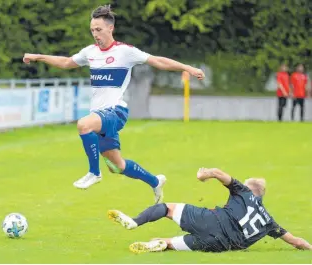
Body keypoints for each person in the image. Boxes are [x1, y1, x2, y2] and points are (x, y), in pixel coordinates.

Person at [22, 5, 205, 204]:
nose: (95, 34)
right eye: (92, 30)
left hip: (115, 112)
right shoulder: (90, 52)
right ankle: (155, 182)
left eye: (98, 29)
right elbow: (66, 62)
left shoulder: (124, 52)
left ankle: (94, 172)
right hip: (100, 115)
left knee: (83, 125)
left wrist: (187, 68)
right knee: (117, 166)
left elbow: (158, 61)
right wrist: (38, 57)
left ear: (110, 28)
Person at [108, 167, 312, 253]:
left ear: (250, 189)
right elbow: (296, 242)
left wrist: (204, 175)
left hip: (212, 220)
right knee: (166, 243)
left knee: (167, 208)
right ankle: (163, 243)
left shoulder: (244, 192)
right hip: (221, 245)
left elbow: (218, 173)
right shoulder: (269, 222)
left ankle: (134, 222)